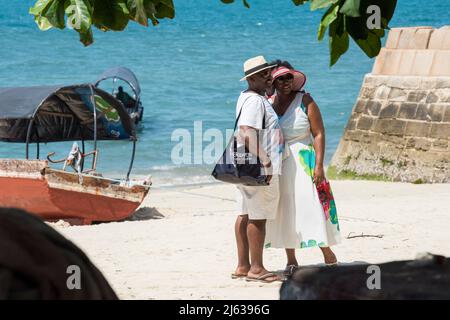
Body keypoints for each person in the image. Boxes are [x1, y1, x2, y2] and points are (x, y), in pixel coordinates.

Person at [265, 62, 341, 277]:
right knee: (285, 209)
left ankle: (327, 252)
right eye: (280, 78)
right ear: (273, 82)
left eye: (288, 77)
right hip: (279, 163)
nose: (285, 82)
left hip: (304, 161)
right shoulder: (268, 103)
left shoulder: (305, 101)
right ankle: (291, 260)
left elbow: (318, 133)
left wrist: (319, 166)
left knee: (311, 205)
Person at [232, 56, 284, 283]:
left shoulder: (246, 97)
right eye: (264, 74)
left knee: (245, 213)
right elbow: (245, 131)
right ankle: (256, 268)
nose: (269, 77)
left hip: (246, 165)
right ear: (252, 78)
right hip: (258, 167)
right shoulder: (255, 101)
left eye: (269, 72)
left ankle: (243, 266)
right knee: (258, 216)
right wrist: (265, 160)